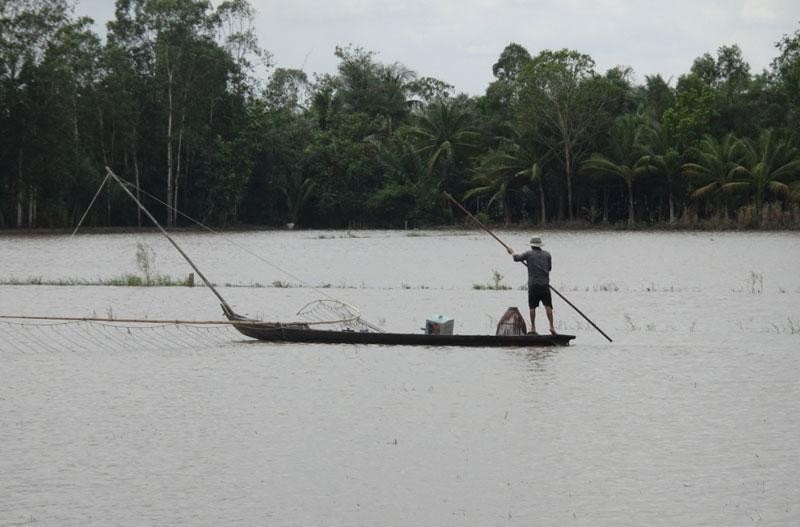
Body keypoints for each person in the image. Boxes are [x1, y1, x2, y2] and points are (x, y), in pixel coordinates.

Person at [511, 236, 557, 335]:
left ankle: (533, 328)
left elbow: (516, 258)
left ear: (532, 246)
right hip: (545, 284)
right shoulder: (547, 254)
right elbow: (549, 268)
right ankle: (552, 326)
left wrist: (512, 252)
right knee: (548, 306)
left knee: (532, 307)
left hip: (533, 285)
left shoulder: (529, 254)